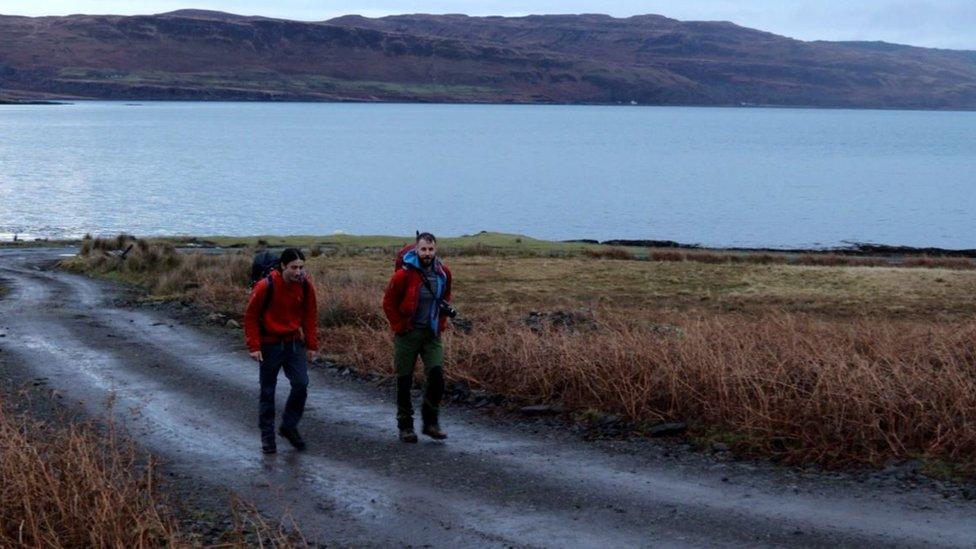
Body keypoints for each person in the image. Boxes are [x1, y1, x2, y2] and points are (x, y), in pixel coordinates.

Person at [244, 248, 318, 454]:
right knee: (267, 392)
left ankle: (289, 426)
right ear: (283, 266)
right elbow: (250, 317)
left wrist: (312, 345)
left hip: (294, 343)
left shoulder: (305, 285)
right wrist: (254, 346)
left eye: (301, 267)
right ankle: (268, 438)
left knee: (301, 384)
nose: (298, 272)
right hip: (270, 345)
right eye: (294, 267)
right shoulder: (265, 285)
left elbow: (310, 315)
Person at [382, 232, 454, 443]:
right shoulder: (403, 275)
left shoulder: (444, 273)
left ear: (436, 249)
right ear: (417, 250)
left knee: (437, 376)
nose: (427, 253)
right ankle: (405, 426)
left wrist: (440, 324)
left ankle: (430, 422)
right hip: (408, 333)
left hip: (431, 334)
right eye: (423, 249)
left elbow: (445, 298)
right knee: (404, 381)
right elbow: (388, 303)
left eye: (431, 249)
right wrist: (400, 327)